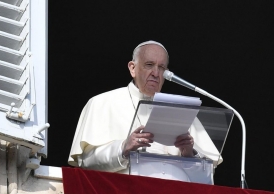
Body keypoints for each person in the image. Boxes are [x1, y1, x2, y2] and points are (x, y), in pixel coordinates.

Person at [68, 41, 221, 174]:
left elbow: (208, 171)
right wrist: (124, 148)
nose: (155, 73)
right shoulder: (102, 102)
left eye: (161, 68)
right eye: (149, 65)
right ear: (132, 68)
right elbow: (86, 162)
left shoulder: (182, 110)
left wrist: (189, 154)